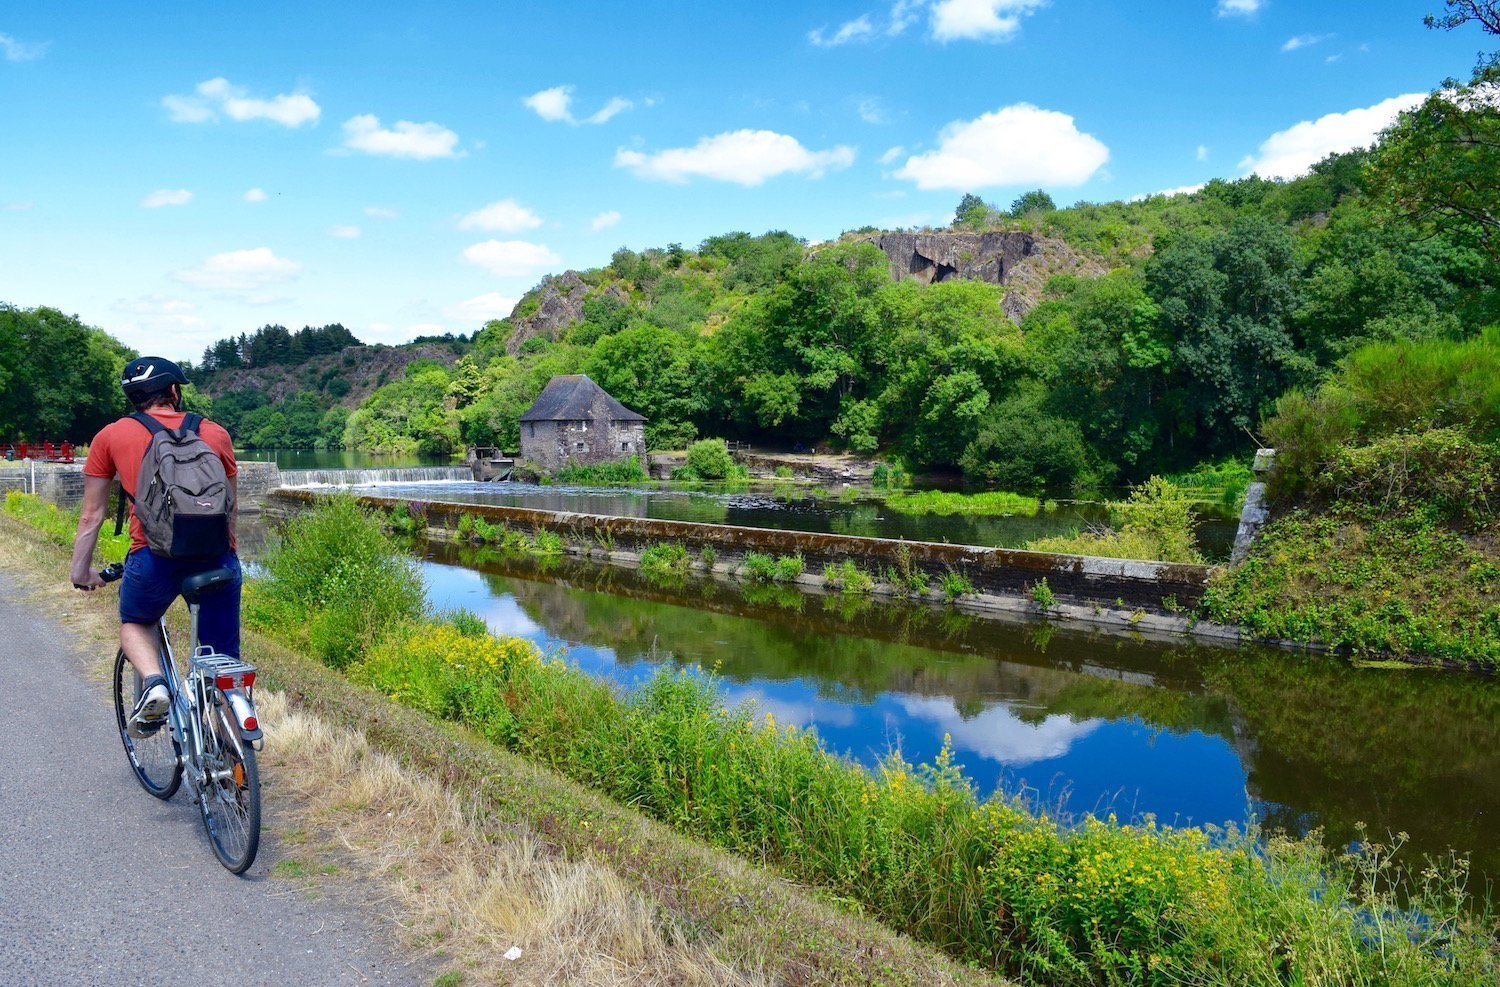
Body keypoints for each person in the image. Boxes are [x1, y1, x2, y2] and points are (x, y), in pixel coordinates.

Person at [70, 357, 241, 737]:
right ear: (174, 391)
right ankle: (236, 767)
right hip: (216, 560)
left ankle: (154, 683)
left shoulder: (111, 436)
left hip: (153, 557)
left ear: (133, 398)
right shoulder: (214, 433)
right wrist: (229, 558)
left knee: (136, 623)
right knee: (224, 662)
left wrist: (81, 573)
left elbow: (92, 516)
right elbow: (230, 508)